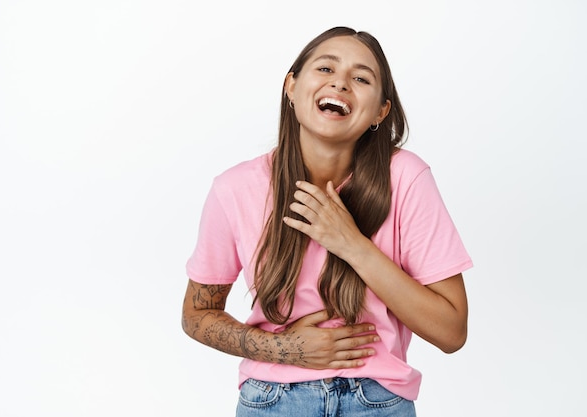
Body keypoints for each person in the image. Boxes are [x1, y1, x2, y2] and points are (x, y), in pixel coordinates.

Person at [182, 26, 473, 417]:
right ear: (291, 86)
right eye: (325, 68)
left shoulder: (406, 178)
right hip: (272, 399)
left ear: (380, 111)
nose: (340, 82)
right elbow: (196, 314)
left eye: (361, 78)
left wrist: (351, 243)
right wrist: (285, 350)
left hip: (378, 401)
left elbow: (451, 331)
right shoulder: (234, 188)